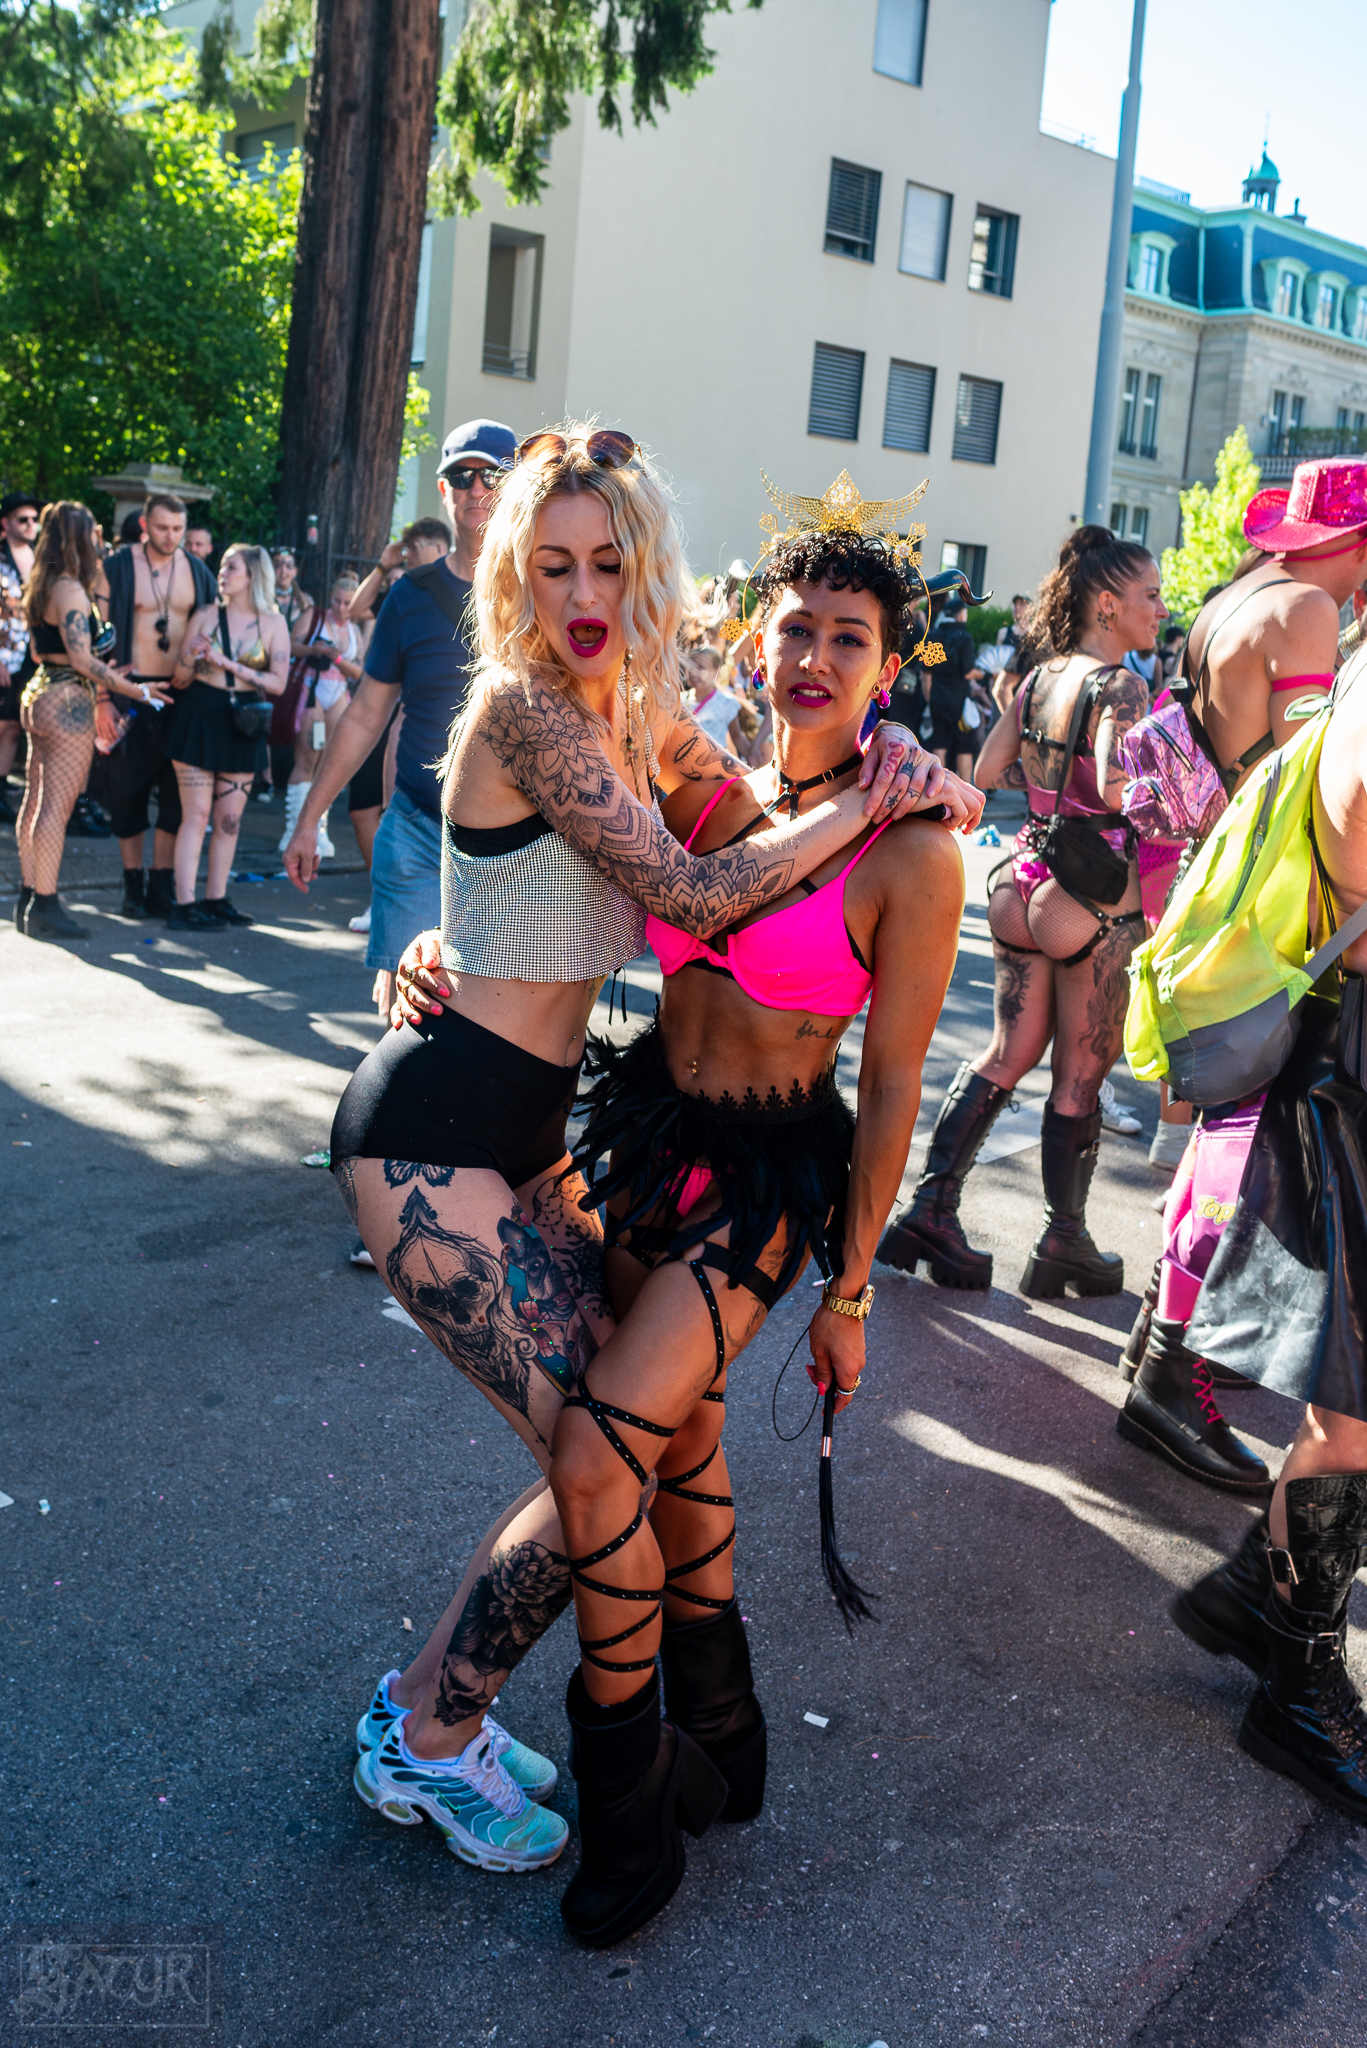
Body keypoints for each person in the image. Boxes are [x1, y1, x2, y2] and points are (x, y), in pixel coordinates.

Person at [325, 429, 962, 1923]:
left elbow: (879, 1066)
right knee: (603, 1457)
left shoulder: (654, 733)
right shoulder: (578, 723)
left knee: (626, 1449)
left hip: (606, 1155)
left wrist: (852, 1288)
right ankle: (453, 1737)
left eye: (608, 563)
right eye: (551, 563)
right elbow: (678, 890)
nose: (582, 591)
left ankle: (616, 1734)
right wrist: (869, 802)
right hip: (461, 1139)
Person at [1116, 460, 1367, 1492]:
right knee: (1234, 1145)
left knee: (1221, 1134)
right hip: (1264, 905)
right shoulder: (1307, 610)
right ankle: (1168, 1375)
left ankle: (1157, 1341)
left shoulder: (1236, 599)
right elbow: (1318, 781)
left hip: (1208, 873)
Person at [1169, 653, 1367, 1819]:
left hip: (1346, 1066)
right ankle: (1296, 1683)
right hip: (1352, 1072)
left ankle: (1260, 1589)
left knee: (1352, 1407)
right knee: (1353, 1414)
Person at [879, 526, 1174, 1303]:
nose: (1160, 609)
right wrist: (1173, 787)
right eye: (1149, 596)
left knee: (1005, 1053)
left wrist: (1050, 784)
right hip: (1089, 897)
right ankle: (1062, 1241)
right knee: (1078, 1076)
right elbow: (1114, 788)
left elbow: (987, 767)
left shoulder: (1040, 675)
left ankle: (929, 1210)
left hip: (1021, 877)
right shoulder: (1120, 686)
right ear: (1107, 604)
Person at [284, 419, 516, 1018]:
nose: (476, 488)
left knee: (494, 1022)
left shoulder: (543, 593)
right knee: (407, 1017)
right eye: (461, 476)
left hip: (515, 846)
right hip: (416, 828)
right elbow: (365, 715)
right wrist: (308, 821)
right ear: (444, 489)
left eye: (492, 475)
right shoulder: (409, 595)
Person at [16, 501, 173, 938]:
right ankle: (45, 904)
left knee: (35, 800)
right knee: (55, 807)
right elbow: (83, 660)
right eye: (93, 534)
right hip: (67, 700)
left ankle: (30, 898)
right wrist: (137, 690)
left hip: (40, 694)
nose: (99, 541)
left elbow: (40, 652)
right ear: (77, 539)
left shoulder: (42, 585)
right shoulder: (69, 589)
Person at [96, 493, 217, 920]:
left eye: (178, 529)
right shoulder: (117, 567)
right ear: (145, 525)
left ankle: (161, 883)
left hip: (183, 695)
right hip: (131, 691)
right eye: (163, 528)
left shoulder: (198, 573)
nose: (171, 536)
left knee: (175, 798)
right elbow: (97, 636)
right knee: (127, 794)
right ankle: (133, 885)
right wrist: (103, 697)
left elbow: (212, 628)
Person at [164, 545, 290, 930]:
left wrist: (227, 663)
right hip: (199, 714)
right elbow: (179, 679)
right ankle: (184, 905)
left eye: (231, 567)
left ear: (252, 576)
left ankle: (216, 899)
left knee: (229, 820)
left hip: (244, 721)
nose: (223, 573)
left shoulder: (273, 623)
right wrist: (191, 655)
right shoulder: (206, 615)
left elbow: (279, 683)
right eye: (222, 567)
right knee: (196, 815)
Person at [277, 572, 364, 859]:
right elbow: (289, 646)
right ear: (330, 598)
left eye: (347, 603)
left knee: (328, 764)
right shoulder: (314, 617)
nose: (341, 607)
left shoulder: (355, 632)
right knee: (306, 760)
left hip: (337, 693)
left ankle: (318, 830)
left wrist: (336, 658)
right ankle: (293, 828)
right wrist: (314, 649)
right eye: (337, 601)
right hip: (310, 689)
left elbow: (359, 672)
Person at [0, 489, 40, 824]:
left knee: (14, 725)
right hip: (3, 654)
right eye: (22, 519)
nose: (30, 525)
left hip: (30, 655)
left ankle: (1, 790)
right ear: (6, 523)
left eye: (34, 519)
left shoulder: (41, 558)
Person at [922, 592, 985, 780]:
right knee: (964, 746)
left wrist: (930, 700)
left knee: (939, 744)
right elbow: (968, 672)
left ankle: (939, 786)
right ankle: (966, 789)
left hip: (938, 699)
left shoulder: (932, 636)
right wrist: (985, 674)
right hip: (960, 701)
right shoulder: (965, 638)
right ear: (960, 615)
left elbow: (926, 675)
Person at [271, 548, 315, 634]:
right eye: (277, 566)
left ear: (295, 571)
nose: (283, 572)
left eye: (288, 566)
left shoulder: (307, 601)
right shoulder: (264, 600)